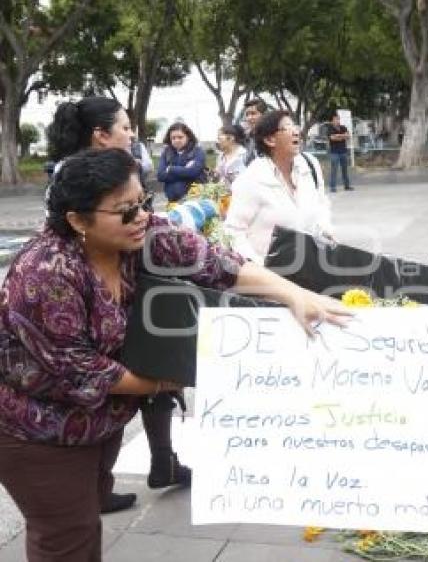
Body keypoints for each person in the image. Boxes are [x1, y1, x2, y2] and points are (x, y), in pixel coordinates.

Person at [0, 148, 349, 562]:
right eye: (125, 211)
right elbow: (81, 371)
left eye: (143, 202)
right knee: (65, 534)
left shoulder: (142, 236)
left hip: (100, 421)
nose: (142, 217)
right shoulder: (46, 274)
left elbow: (219, 264)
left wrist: (296, 295)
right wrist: (184, 378)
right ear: (77, 220)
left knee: (82, 515)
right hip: (35, 430)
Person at [46, 96, 190, 514]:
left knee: (153, 359)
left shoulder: (122, 175)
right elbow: (76, 364)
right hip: (98, 300)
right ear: (100, 135)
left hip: (126, 287)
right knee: (127, 372)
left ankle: (160, 457)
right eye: (125, 127)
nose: (132, 134)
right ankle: (100, 479)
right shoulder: (73, 184)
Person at [224, 110, 333, 263]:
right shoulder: (251, 180)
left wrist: (325, 228)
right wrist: (260, 267)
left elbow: (321, 202)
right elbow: (233, 231)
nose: (296, 131)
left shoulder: (310, 165)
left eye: (295, 125)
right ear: (270, 140)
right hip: (271, 276)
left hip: (309, 265)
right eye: (287, 127)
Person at [156, 122, 206, 204]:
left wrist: (171, 169)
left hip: (194, 200)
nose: (176, 140)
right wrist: (184, 171)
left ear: (188, 137)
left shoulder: (197, 151)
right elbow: (160, 175)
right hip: (172, 201)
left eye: (180, 137)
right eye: (173, 138)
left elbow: (193, 172)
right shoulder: (166, 152)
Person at [327, 113, 354, 193]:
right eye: (335, 119)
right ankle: (333, 187)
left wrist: (338, 136)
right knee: (334, 170)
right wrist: (342, 136)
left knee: (345, 170)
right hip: (334, 152)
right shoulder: (330, 128)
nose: (337, 121)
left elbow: (348, 136)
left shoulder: (343, 127)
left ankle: (347, 186)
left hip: (343, 151)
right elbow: (332, 138)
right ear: (332, 121)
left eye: (338, 119)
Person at [242, 97, 268, 166]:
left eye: (253, 114)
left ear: (264, 115)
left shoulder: (272, 137)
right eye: (247, 114)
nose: (249, 118)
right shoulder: (247, 138)